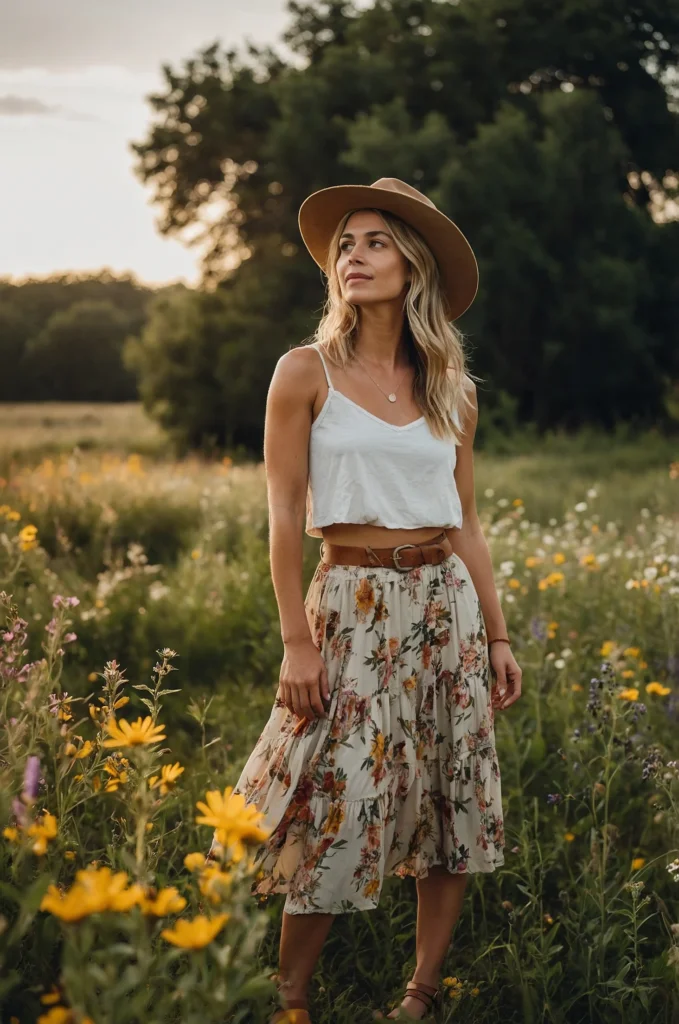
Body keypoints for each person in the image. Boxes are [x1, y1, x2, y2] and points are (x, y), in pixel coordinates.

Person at [208, 177, 523, 1023]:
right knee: (336, 794)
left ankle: (420, 995)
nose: (353, 254)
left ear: (412, 262)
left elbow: (466, 523)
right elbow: (281, 513)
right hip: (348, 609)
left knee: (451, 791)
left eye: (375, 240)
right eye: (346, 242)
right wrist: (294, 641)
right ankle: (291, 998)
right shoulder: (302, 371)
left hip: (443, 607)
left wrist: (496, 636)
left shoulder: (450, 387)